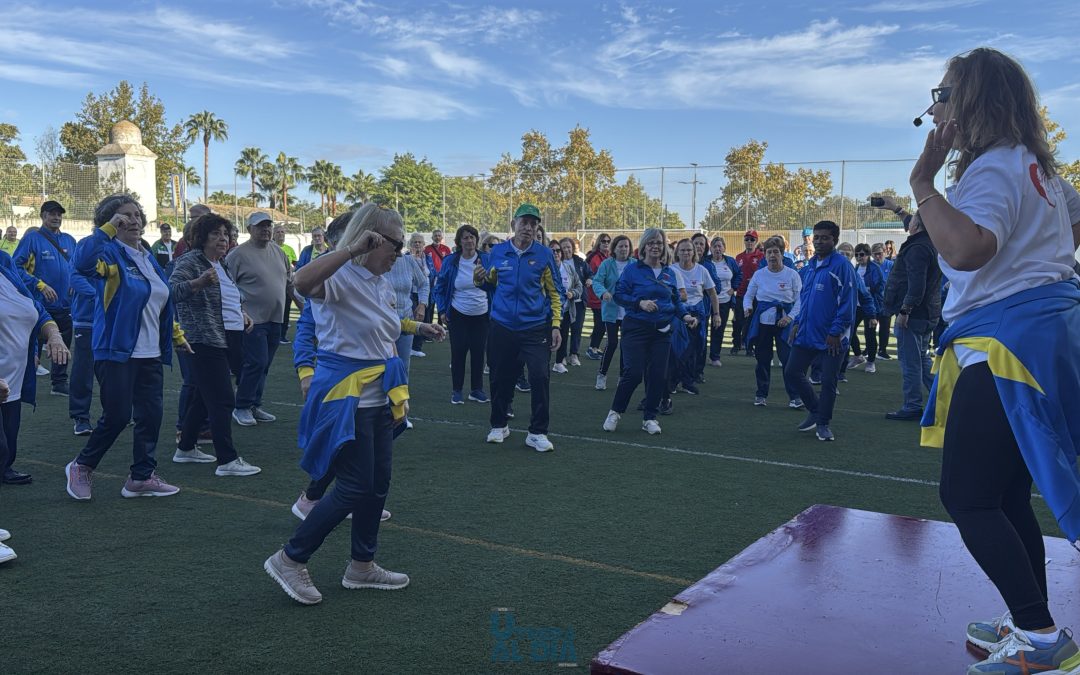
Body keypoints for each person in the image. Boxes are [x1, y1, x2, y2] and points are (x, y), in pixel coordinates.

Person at [912, 48, 1080, 672]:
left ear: (973, 100)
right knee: (1006, 495)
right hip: (1039, 332)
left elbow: (966, 251)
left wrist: (924, 184)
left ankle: (1041, 638)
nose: (934, 109)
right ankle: (1029, 619)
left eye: (943, 95)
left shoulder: (992, 167)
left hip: (1006, 343)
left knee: (967, 496)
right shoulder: (1034, 165)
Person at [263, 203, 444, 605]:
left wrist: (418, 332)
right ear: (371, 239)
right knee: (355, 484)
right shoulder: (341, 274)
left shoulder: (379, 282)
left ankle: (362, 565)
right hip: (348, 397)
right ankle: (290, 558)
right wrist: (350, 249)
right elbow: (300, 282)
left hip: (378, 396)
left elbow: (385, 330)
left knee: (377, 484)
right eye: (396, 243)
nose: (400, 251)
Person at [64, 194, 191, 501]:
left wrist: (175, 335)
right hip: (116, 350)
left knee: (151, 416)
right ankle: (81, 466)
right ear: (110, 221)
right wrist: (107, 229)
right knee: (118, 416)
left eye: (136, 214)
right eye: (124, 216)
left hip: (150, 353)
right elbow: (81, 264)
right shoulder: (107, 253)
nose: (133, 220)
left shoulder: (146, 255)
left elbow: (159, 300)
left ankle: (141, 477)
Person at [169, 214, 260, 476]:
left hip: (227, 337)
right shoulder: (190, 261)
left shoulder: (222, 264)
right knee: (222, 399)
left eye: (226, 234)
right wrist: (197, 283)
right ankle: (227, 460)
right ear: (202, 237)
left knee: (202, 396)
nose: (223, 239)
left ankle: (186, 448)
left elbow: (228, 297)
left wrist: (241, 314)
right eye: (216, 234)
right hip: (203, 339)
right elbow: (172, 292)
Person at [474, 204, 564, 452]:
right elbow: (491, 283)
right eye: (524, 222)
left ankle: (537, 432)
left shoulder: (544, 255)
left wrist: (556, 325)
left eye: (533, 224)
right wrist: (478, 280)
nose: (528, 228)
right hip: (501, 326)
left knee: (540, 376)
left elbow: (556, 292)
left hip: (535, 327)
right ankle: (499, 425)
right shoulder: (497, 252)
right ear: (513, 224)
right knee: (499, 377)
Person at [0, 248, 68, 561]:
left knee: (4, 452)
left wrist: (53, 335)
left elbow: (36, 309)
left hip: (11, 382)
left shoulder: (4, 263)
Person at [601, 228, 695, 435]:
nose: (655, 246)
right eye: (651, 243)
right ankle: (615, 412)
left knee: (657, 375)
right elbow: (619, 295)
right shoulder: (632, 270)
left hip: (662, 331)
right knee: (633, 373)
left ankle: (650, 417)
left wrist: (685, 316)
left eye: (659, 243)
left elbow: (676, 301)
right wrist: (639, 303)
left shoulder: (670, 273)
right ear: (644, 246)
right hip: (636, 329)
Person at [782, 220, 856, 442]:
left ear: (835, 240)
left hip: (833, 337)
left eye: (825, 238)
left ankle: (823, 424)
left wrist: (836, 332)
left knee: (828, 381)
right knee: (792, 372)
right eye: (817, 237)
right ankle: (815, 409)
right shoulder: (811, 265)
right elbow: (805, 299)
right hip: (807, 332)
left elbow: (848, 303)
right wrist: (797, 323)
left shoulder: (842, 266)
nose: (819, 241)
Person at [226, 212, 291, 427]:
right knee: (256, 362)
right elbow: (226, 285)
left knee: (264, 364)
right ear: (249, 229)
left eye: (268, 225)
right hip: (251, 320)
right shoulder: (237, 254)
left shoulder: (279, 252)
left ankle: (254, 403)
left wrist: (302, 304)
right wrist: (238, 312)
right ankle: (242, 406)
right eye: (260, 226)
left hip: (275, 318)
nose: (266, 230)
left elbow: (289, 281)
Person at [12, 200, 76, 405]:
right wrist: (39, 285)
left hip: (65, 304)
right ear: (43, 216)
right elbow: (15, 268)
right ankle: (23, 383)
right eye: (52, 214)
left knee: (63, 344)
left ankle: (59, 382)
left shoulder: (69, 240)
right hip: (39, 305)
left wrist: (76, 282)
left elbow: (77, 266)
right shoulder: (32, 239)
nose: (56, 217)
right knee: (33, 346)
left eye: (59, 214)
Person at [882, 211, 942, 421]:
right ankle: (944, 399)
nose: (909, 222)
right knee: (923, 359)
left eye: (913, 219)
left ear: (917, 225)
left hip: (914, 315)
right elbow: (914, 220)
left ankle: (913, 405)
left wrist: (905, 309)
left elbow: (917, 284)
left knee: (911, 363)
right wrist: (895, 208)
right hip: (928, 312)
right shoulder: (931, 242)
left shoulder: (917, 248)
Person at [744, 237, 803, 407]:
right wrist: (748, 307)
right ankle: (761, 394)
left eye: (776, 252)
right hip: (764, 322)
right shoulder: (759, 274)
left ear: (782, 254)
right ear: (764, 255)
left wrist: (789, 317)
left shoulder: (792, 274)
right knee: (763, 359)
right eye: (769, 252)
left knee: (788, 360)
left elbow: (800, 300)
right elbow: (748, 295)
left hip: (785, 322)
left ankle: (794, 397)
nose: (772, 255)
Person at [434, 224, 490, 404]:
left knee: (478, 353)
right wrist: (442, 310)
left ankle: (476, 390)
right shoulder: (451, 261)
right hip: (458, 314)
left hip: (482, 315)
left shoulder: (486, 259)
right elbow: (440, 287)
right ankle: (456, 390)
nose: (469, 240)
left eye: (472, 237)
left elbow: (495, 285)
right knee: (458, 352)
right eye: (465, 237)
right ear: (459, 241)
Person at [670, 239, 719, 395]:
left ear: (694, 253)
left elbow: (712, 293)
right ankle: (673, 381)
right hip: (678, 312)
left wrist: (716, 314)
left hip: (698, 312)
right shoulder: (671, 270)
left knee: (695, 348)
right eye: (683, 250)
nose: (686, 253)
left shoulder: (702, 270)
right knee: (678, 348)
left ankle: (688, 381)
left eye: (689, 250)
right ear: (677, 253)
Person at [384, 228, 430, 377]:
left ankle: (402, 393)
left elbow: (424, 283)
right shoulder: (377, 262)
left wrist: (422, 304)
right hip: (382, 324)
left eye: (401, 239)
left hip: (406, 319)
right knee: (382, 368)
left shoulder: (409, 261)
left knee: (403, 367)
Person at [590, 235, 633, 391]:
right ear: (614, 248)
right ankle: (602, 374)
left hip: (629, 311)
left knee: (625, 345)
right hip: (611, 311)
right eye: (620, 246)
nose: (623, 249)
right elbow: (597, 281)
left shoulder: (635, 264)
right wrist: (603, 293)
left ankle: (622, 377)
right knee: (612, 342)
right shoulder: (607, 264)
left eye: (626, 246)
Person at [68, 261, 98, 436]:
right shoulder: (85, 250)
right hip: (87, 319)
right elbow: (74, 277)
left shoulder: (121, 250)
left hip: (113, 320)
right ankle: (80, 416)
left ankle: (116, 411)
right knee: (83, 369)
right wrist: (99, 296)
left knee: (115, 368)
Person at [847, 243, 884, 374]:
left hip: (871, 306)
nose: (859, 257)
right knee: (850, 331)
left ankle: (871, 362)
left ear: (868, 255)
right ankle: (858, 355)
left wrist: (865, 289)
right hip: (857, 306)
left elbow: (879, 285)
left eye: (862, 254)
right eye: (856, 255)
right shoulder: (855, 268)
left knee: (870, 335)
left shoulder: (875, 268)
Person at [705, 236, 741, 367]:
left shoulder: (730, 261)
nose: (717, 249)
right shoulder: (705, 262)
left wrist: (733, 288)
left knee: (718, 329)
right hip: (707, 300)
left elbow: (739, 275)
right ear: (710, 249)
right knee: (703, 328)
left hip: (724, 300)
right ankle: (700, 356)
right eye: (715, 246)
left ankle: (714, 357)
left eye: (720, 246)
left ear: (724, 248)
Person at [551, 243, 584, 374]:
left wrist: (573, 293)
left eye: (558, 250)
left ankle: (559, 362)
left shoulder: (568, 268)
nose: (556, 253)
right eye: (552, 250)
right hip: (548, 311)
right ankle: (543, 362)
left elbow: (579, 286)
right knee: (546, 337)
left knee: (563, 336)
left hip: (565, 310)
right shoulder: (544, 268)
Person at [731, 229, 763, 355]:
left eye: (752, 239)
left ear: (756, 241)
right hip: (741, 293)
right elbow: (735, 274)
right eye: (747, 239)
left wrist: (755, 280)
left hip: (755, 295)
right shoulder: (739, 257)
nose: (749, 242)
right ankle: (736, 345)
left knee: (752, 322)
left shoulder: (761, 256)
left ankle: (750, 347)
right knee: (738, 321)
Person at [560, 237, 591, 367]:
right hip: (563, 303)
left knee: (577, 329)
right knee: (563, 329)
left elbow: (590, 273)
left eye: (569, 247)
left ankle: (574, 355)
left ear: (572, 248)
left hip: (578, 301)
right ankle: (561, 356)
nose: (567, 250)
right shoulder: (558, 262)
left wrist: (589, 279)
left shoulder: (580, 261)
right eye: (564, 247)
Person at [584, 234, 611, 360]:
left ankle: (595, 347)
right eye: (603, 241)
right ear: (599, 243)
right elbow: (591, 275)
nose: (606, 243)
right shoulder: (594, 258)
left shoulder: (608, 257)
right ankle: (592, 348)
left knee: (602, 323)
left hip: (604, 295)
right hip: (596, 295)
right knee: (600, 323)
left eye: (608, 241)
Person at [274, 224, 299, 343]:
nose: (281, 234)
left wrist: (292, 269)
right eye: (278, 232)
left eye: (282, 232)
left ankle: (282, 335)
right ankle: (274, 335)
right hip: (273, 284)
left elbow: (296, 264)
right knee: (275, 310)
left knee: (286, 310)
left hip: (286, 284)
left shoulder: (289, 249)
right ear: (273, 235)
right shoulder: (270, 247)